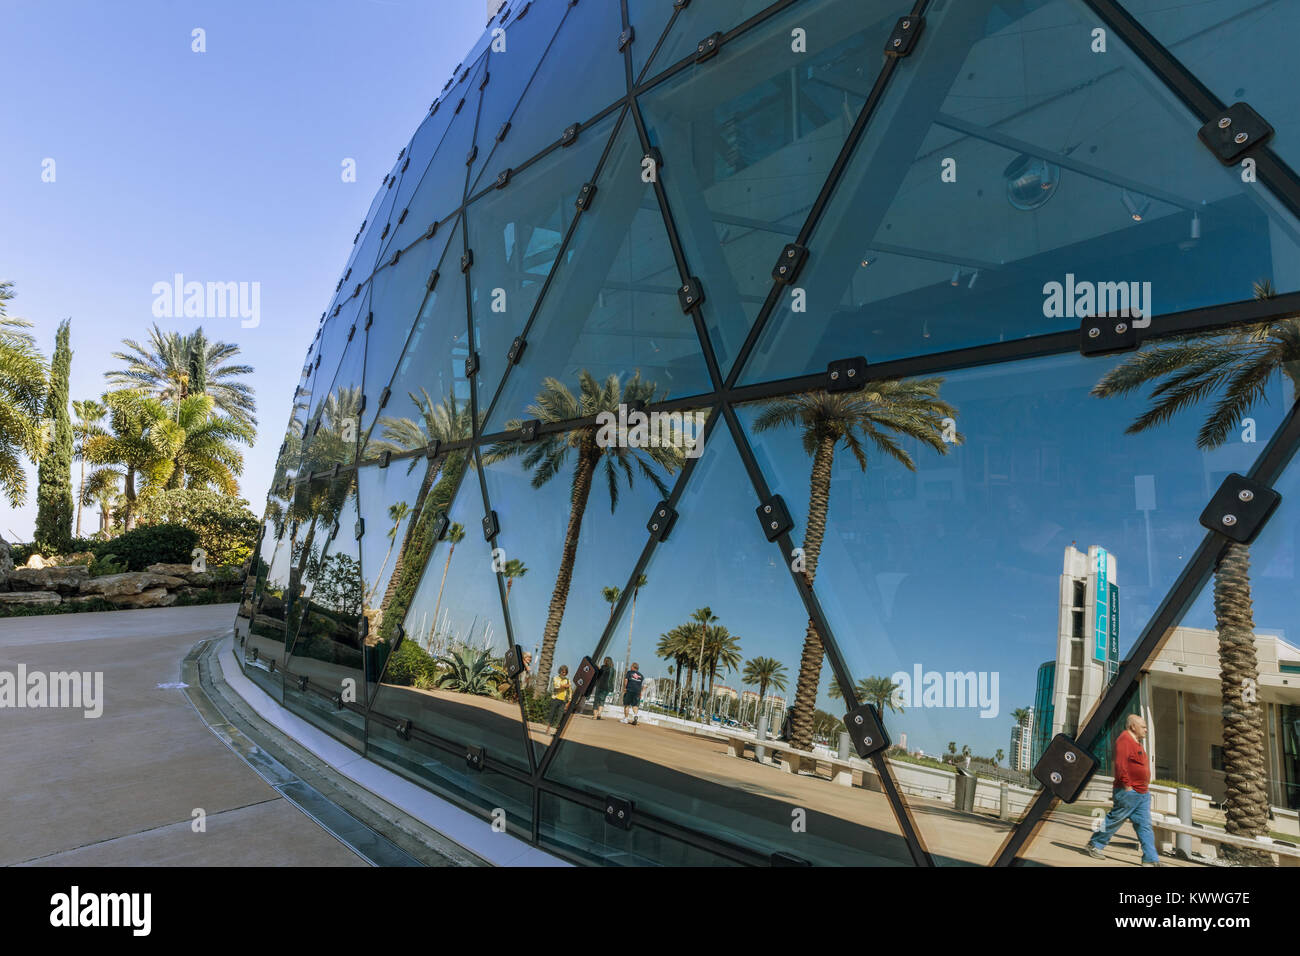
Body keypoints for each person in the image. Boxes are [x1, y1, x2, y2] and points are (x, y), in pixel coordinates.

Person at [1087, 713, 1159, 866]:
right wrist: (1127, 786)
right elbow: (1120, 765)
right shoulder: (1124, 739)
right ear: (1133, 726)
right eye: (1143, 727)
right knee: (1114, 820)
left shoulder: (1137, 742)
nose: (1146, 730)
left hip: (1142, 793)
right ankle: (1094, 845)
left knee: (1145, 826)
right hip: (1129, 792)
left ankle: (1150, 859)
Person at [544, 665, 570, 736]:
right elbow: (554, 687)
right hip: (555, 699)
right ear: (560, 671)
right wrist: (563, 686)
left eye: (565, 672)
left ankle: (556, 733)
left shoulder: (567, 680)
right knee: (551, 714)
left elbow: (569, 691)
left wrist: (569, 701)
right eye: (562, 671)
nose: (563, 673)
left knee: (560, 716)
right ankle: (547, 730)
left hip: (563, 701)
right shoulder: (555, 678)